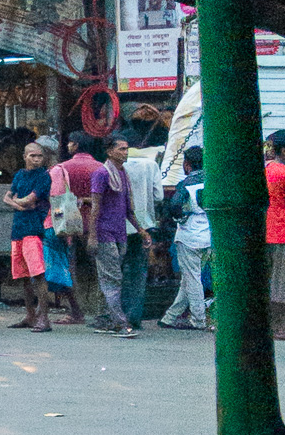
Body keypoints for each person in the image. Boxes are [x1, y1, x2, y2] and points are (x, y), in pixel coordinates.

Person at [82, 136, 151, 337]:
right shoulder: (101, 174)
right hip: (104, 233)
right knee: (113, 279)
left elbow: (129, 209)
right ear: (109, 152)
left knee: (110, 277)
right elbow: (95, 208)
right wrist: (93, 236)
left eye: (126, 148)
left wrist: (141, 229)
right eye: (121, 149)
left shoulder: (123, 174)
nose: (125, 152)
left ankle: (105, 319)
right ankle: (120, 323)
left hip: (120, 233)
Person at [2, 138, 54, 331]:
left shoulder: (44, 176)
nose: (36, 159)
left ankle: (44, 318)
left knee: (38, 274)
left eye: (40, 156)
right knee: (23, 276)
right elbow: (8, 198)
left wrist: (17, 202)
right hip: (18, 229)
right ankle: (31, 315)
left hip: (34, 229)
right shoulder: (19, 175)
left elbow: (28, 199)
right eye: (32, 156)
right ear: (25, 157)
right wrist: (19, 204)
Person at [48, 132, 99, 324]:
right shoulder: (101, 168)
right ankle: (98, 307)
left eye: (70, 142)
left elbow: (54, 197)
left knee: (70, 267)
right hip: (95, 224)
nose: (68, 145)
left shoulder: (61, 168)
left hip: (68, 224)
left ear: (75, 145)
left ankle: (76, 310)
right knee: (96, 268)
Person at [161, 146, 212, 330]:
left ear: (187, 164)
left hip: (189, 234)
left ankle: (198, 320)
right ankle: (169, 317)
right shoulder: (212, 180)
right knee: (190, 278)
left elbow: (174, 205)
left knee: (192, 279)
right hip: (208, 234)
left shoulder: (186, 184)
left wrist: (180, 217)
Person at [122, 139, 166, 329]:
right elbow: (159, 196)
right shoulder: (151, 165)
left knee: (117, 271)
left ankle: (118, 315)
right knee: (139, 271)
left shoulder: (118, 165)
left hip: (120, 227)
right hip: (144, 226)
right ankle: (135, 316)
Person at [265, 129, 285, 340]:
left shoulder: (266, 169)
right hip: (284, 232)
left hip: (266, 231)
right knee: (282, 282)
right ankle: (279, 327)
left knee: (269, 279)